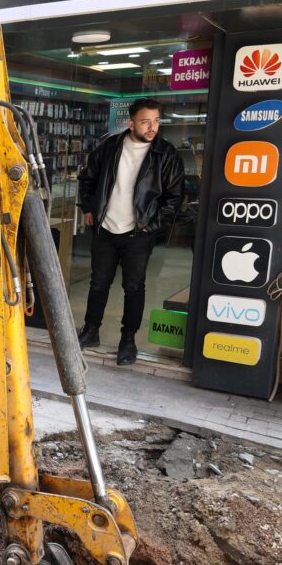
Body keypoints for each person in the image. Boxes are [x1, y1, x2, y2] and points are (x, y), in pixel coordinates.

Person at [76, 98, 183, 366]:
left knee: (134, 288)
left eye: (156, 121)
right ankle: (90, 331)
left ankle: (128, 339)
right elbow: (87, 178)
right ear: (131, 122)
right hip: (105, 229)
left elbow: (174, 198)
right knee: (98, 283)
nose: (152, 127)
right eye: (146, 121)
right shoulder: (109, 147)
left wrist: (151, 224)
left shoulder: (166, 154)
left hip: (139, 233)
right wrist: (89, 208)